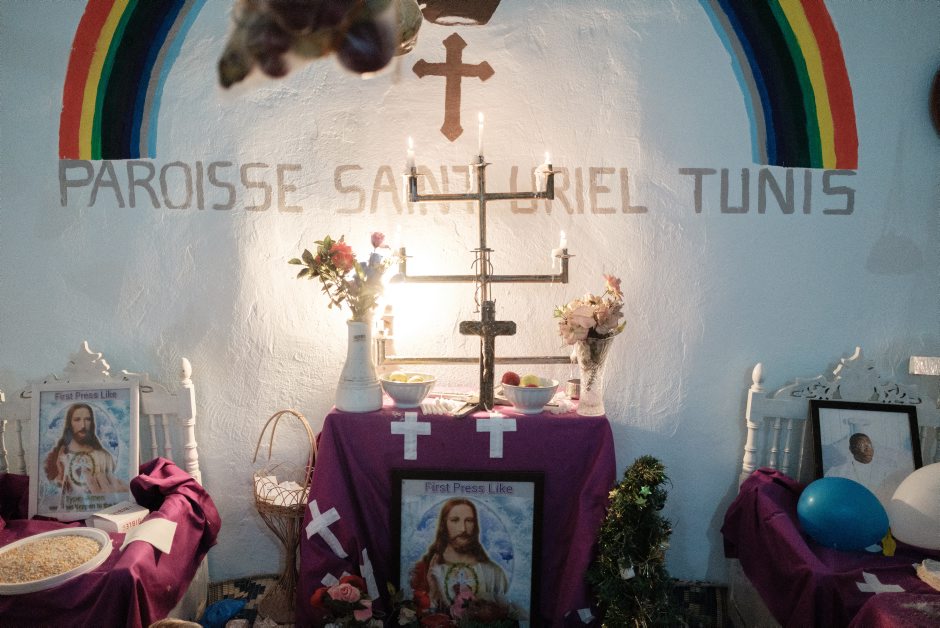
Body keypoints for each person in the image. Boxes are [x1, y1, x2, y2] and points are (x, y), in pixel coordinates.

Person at [410, 498, 509, 613]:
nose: (463, 529)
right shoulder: (425, 570)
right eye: (455, 520)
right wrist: (433, 594)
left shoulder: (494, 573)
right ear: (444, 525)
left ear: (475, 526)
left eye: (469, 521)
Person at [43, 403, 126, 505]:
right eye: (77, 420)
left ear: (92, 423)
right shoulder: (59, 457)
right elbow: (49, 492)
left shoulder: (105, 457)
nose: (83, 425)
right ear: (69, 424)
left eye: (88, 419)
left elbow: (112, 488)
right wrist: (60, 475)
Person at [825, 432, 907, 508]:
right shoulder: (837, 473)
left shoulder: (888, 467)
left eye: (869, 445)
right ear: (851, 449)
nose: (867, 449)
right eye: (861, 446)